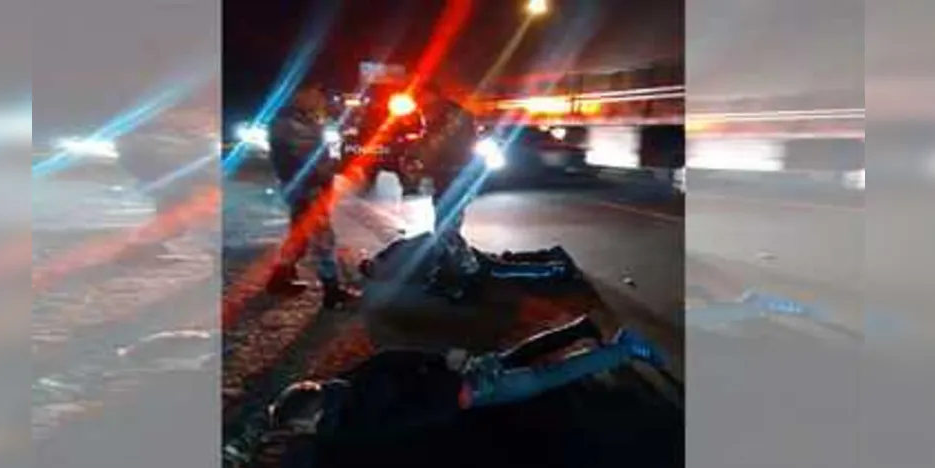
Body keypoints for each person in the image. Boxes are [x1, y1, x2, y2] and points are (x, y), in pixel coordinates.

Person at [266, 314, 669, 437]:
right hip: (461, 372)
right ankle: (597, 336)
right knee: (517, 357)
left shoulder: (356, 418)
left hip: (467, 389)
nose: (304, 433)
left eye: (301, 427)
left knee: (547, 378)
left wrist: (453, 400)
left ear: (314, 415)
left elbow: (416, 414)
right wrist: (446, 359)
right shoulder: (349, 380)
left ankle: (625, 349)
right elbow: (394, 357)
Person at [266, 84, 359, 309]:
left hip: (303, 185)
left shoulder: (301, 120)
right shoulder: (292, 124)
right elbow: (310, 162)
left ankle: (280, 277)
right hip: (307, 187)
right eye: (314, 96)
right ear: (299, 96)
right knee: (324, 238)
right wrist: (336, 164)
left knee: (300, 235)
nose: (319, 101)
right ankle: (331, 290)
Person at [410, 83, 483, 298]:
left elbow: (444, 146)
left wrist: (421, 157)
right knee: (444, 227)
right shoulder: (438, 113)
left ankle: (467, 273)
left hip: (456, 176)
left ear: (431, 94)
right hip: (447, 177)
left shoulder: (451, 115)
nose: (418, 102)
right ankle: (447, 273)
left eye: (421, 96)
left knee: (446, 228)